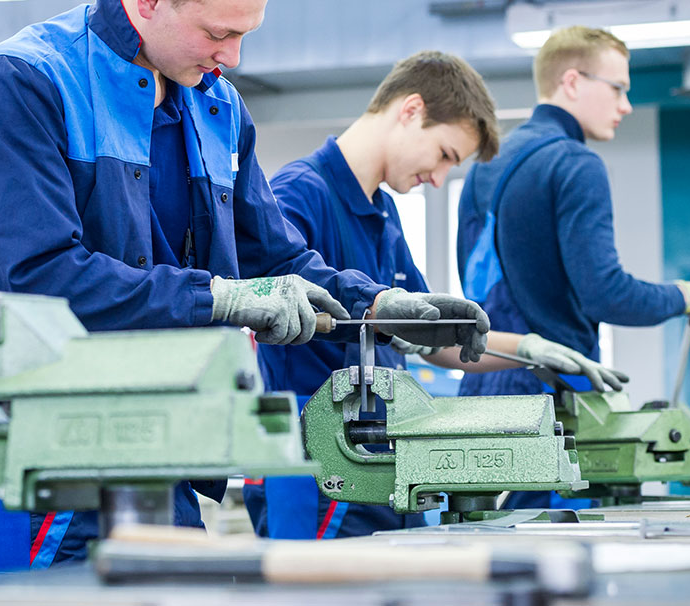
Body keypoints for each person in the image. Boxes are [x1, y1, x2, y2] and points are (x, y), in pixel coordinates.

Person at [0, 0, 489, 573]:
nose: (232, 57)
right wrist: (220, 297)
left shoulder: (218, 108)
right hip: (49, 460)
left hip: (169, 445)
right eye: (219, 33)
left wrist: (380, 306)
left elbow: (274, 254)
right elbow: (39, 275)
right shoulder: (24, 82)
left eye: (243, 35)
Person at [247, 50, 629, 539]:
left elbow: (438, 342)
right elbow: (269, 296)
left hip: (383, 460)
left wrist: (531, 350)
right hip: (314, 468)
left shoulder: (383, 213)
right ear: (410, 111)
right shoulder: (299, 194)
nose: (439, 177)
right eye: (446, 155)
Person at [457, 24, 690, 402]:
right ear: (573, 82)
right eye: (618, 88)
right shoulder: (577, 164)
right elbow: (606, 295)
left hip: (481, 381)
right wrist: (685, 297)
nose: (625, 105)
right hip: (552, 391)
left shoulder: (487, 162)